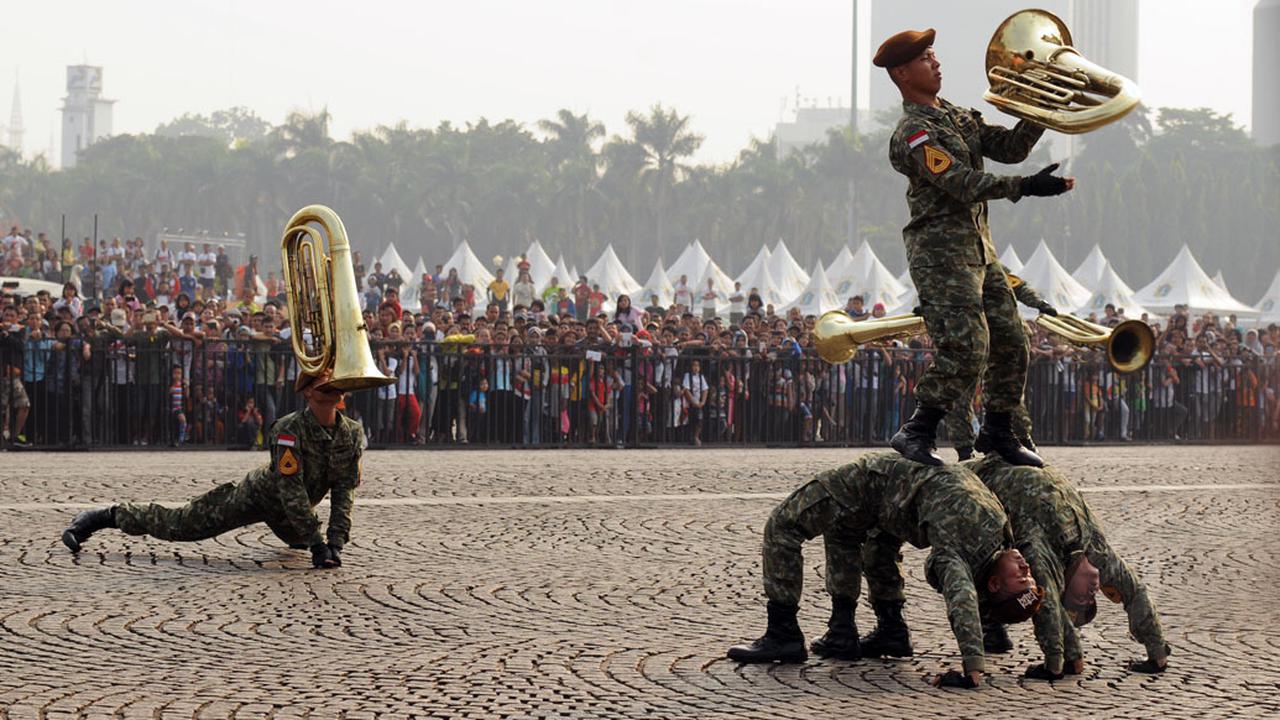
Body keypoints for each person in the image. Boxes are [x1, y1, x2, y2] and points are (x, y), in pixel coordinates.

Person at [876, 27, 1073, 468]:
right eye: (927, 58)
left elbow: (1011, 147)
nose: (937, 63)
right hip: (940, 255)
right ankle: (917, 430)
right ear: (903, 73)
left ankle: (998, 431)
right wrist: (1027, 188)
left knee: (1012, 341)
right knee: (967, 346)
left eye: (935, 55)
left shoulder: (958, 116)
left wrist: (1042, 102)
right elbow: (961, 183)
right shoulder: (913, 133)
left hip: (980, 251)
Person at [726, 452, 1041, 689]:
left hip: (875, 483)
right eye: (1029, 578)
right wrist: (1061, 659)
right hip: (899, 505)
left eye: (1021, 578)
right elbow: (1049, 585)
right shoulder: (1006, 541)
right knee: (865, 539)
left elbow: (961, 596)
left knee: (783, 524)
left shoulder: (961, 548)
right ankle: (864, 632)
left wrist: (973, 669)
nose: (1027, 568)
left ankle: (783, 634)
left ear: (996, 584)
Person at [60, 367, 363, 569]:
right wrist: (317, 543)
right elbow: (291, 489)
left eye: (337, 383)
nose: (333, 388)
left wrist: (335, 543)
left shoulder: (351, 433)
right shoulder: (288, 429)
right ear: (307, 392)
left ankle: (303, 537)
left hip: (293, 517)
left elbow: (343, 490)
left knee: (298, 541)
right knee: (182, 525)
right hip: (257, 497)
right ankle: (102, 517)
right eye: (323, 384)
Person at [971, 455, 1170, 678]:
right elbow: (1134, 591)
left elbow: (1044, 602)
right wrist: (1157, 652)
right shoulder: (1095, 548)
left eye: (1081, 599)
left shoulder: (1044, 550)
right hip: (1017, 459)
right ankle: (992, 628)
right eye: (1090, 600)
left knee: (991, 571)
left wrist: (1057, 663)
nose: (1092, 593)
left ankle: (992, 629)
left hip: (984, 475)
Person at [945, 264, 1057, 459]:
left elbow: (1019, 286)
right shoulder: (951, 271)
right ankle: (965, 450)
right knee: (959, 395)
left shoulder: (991, 265)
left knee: (1007, 394)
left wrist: (1040, 303)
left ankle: (1023, 438)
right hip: (971, 338)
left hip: (1004, 339)